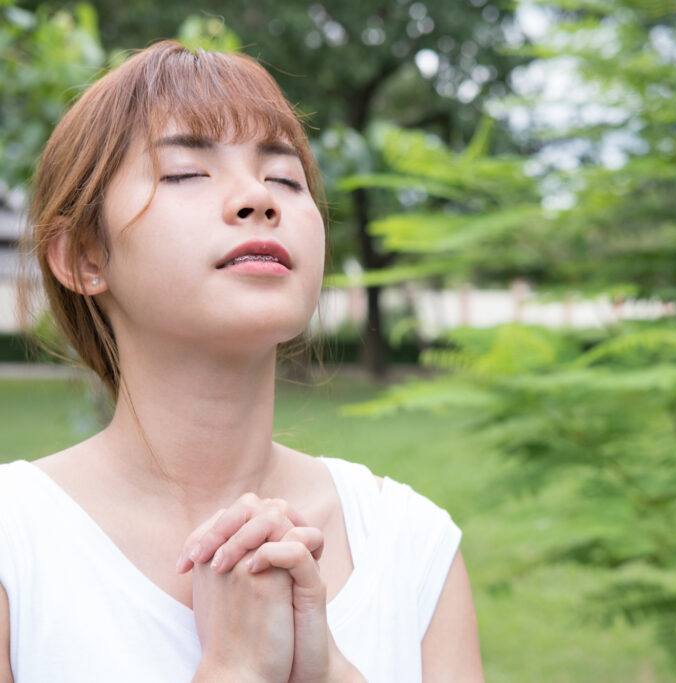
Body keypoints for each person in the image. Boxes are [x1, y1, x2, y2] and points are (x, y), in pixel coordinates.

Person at [0, 40, 483, 682]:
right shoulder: (16, 546)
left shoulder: (409, 545)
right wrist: (235, 668)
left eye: (285, 178)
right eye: (186, 174)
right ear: (85, 258)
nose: (258, 198)